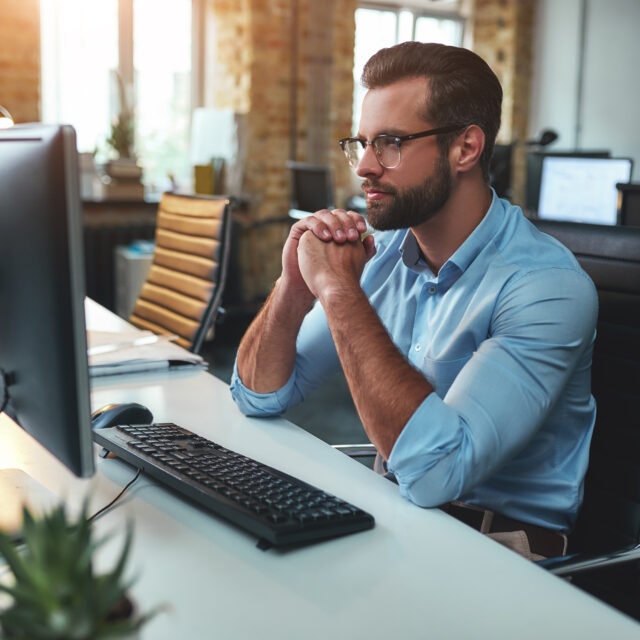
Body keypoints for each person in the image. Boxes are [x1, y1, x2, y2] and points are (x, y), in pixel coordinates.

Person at [230, 42, 598, 560]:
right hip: (397, 521)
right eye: (360, 144)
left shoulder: (546, 287)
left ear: (466, 149)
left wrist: (337, 291)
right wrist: (294, 285)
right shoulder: (379, 256)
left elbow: (435, 473)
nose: (364, 168)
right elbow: (259, 396)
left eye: (391, 143)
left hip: (504, 557)